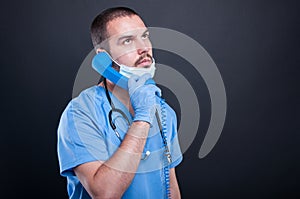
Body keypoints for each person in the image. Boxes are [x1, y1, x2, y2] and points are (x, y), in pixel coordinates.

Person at [57, 7, 182, 199]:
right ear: (103, 58)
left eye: (145, 36)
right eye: (128, 41)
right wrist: (142, 117)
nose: (144, 48)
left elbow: (171, 187)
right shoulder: (80, 113)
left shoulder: (164, 111)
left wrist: (149, 109)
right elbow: (105, 194)